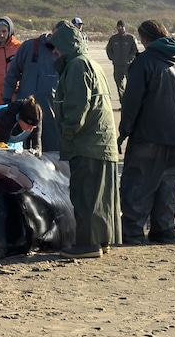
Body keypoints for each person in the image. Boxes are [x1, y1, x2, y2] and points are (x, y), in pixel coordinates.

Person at [49, 19, 121, 258]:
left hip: (87, 144)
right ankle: (102, 240)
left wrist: (66, 135)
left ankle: (87, 244)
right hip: (102, 142)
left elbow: (77, 108)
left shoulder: (76, 66)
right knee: (101, 197)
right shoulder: (91, 63)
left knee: (85, 195)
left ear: (66, 46)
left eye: (57, 47)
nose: (54, 52)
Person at [118, 20, 175, 246]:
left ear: (144, 39)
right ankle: (164, 230)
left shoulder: (144, 62)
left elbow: (132, 101)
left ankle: (132, 232)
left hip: (149, 134)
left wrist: (124, 130)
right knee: (167, 185)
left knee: (138, 183)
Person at [2, 31, 61, 154]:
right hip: (25, 111)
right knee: (19, 152)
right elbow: (12, 74)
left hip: (51, 112)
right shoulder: (29, 47)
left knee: (51, 151)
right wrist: (7, 100)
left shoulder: (66, 52)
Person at [105, 21, 139, 99]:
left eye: (121, 27)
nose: (120, 28)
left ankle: (130, 100)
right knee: (119, 84)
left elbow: (135, 50)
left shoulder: (130, 38)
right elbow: (109, 49)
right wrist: (112, 58)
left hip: (128, 66)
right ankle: (123, 101)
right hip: (117, 65)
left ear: (125, 27)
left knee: (131, 84)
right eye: (118, 27)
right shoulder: (113, 38)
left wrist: (130, 59)